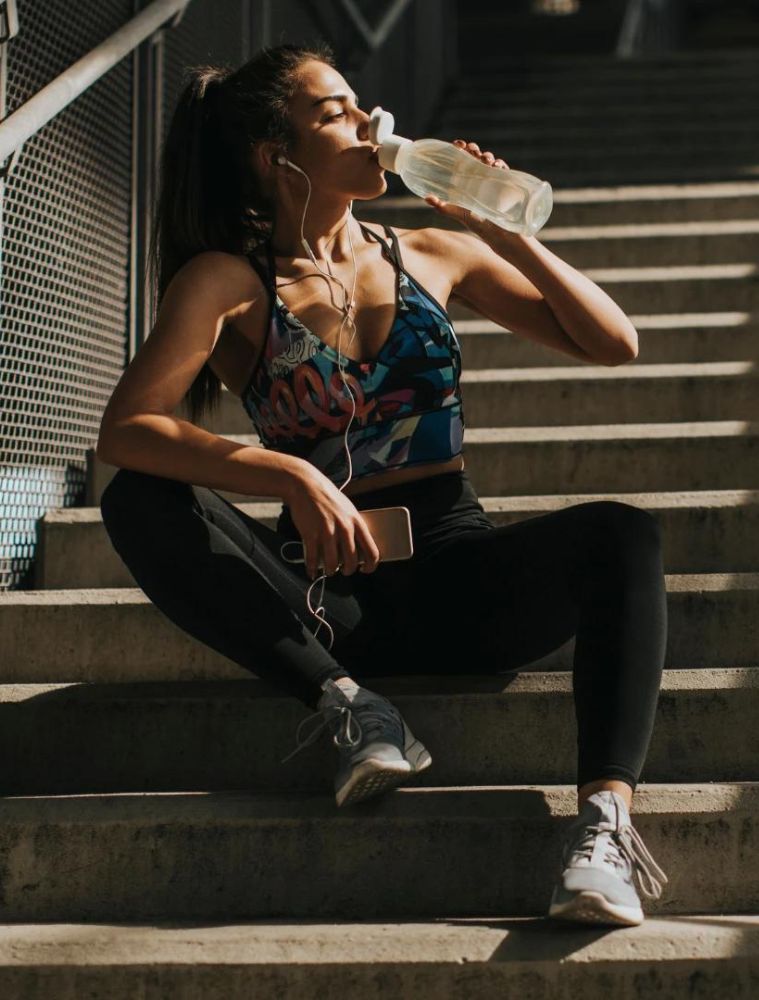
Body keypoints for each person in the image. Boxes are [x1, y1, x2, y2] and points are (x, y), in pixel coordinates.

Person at [96, 42, 669, 927]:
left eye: (363, 105)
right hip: (326, 607)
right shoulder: (229, 282)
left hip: (458, 580)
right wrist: (286, 473)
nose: (371, 124)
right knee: (135, 496)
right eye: (335, 112)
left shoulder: (433, 253)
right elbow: (128, 428)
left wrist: (500, 228)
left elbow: (611, 343)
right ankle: (350, 708)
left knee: (623, 532)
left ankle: (602, 831)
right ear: (272, 155)